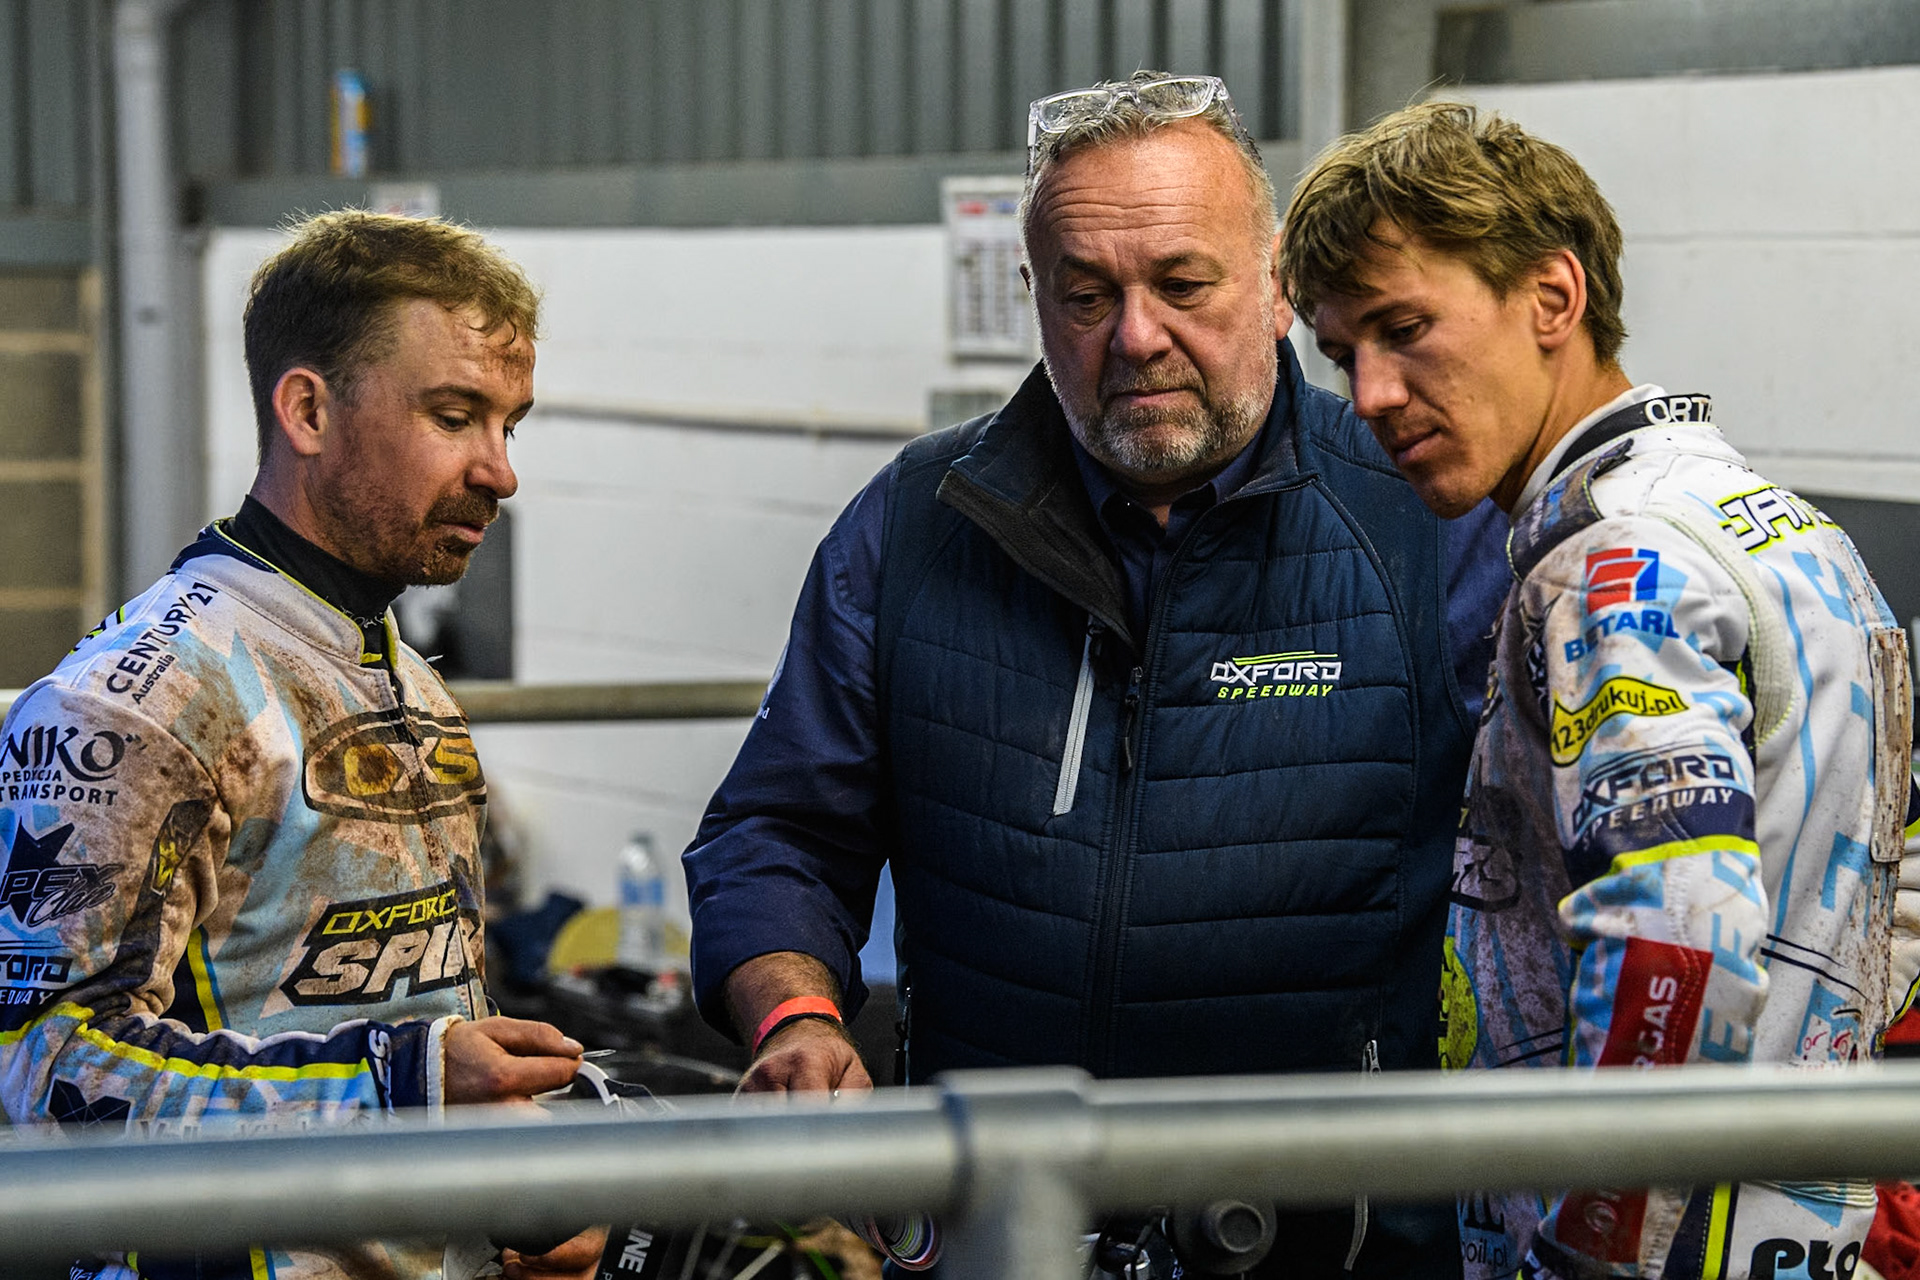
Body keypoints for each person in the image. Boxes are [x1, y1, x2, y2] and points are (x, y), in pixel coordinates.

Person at [684, 72, 1506, 1278]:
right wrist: (797, 1015)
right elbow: (776, 827)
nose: (1135, 336)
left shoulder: (1422, 520)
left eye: (1182, 283)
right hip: (999, 1231)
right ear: (1034, 296)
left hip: (1333, 1244)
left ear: (1275, 284)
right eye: (1086, 293)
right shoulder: (917, 524)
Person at [1279, 101, 1920, 1280]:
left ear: (1554, 299)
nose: (1368, 394)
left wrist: (1588, 1257)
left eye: (1404, 326)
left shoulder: (1606, 570)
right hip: (1817, 1231)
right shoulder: (1788, 530)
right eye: (1340, 352)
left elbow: (1672, 949)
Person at [0, 211, 600, 1280]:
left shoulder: (408, 681)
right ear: (309, 408)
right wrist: (399, 1078)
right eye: (456, 415)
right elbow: (29, 1070)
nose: (500, 472)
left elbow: (416, 1015)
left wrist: (521, 1173)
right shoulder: (138, 698)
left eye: (511, 424)